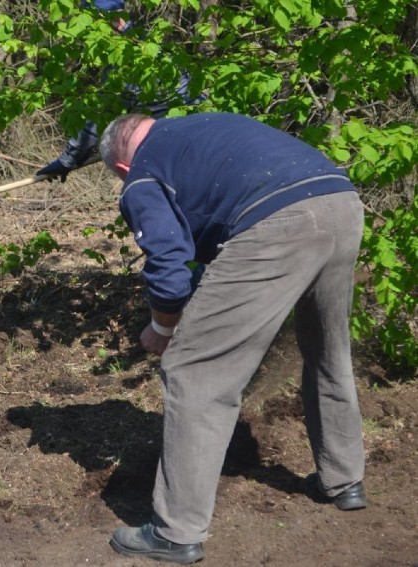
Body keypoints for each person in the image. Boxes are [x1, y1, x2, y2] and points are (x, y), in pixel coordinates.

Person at [98, 112, 367, 564]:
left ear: (121, 167)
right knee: (327, 349)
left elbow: (168, 271)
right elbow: (214, 236)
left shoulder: (141, 175)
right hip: (339, 201)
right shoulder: (201, 128)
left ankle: (175, 531)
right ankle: (344, 479)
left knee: (194, 370)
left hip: (279, 222)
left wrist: (162, 328)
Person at [36, 0, 204, 182]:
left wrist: (66, 161)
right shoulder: (152, 43)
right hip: (201, 132)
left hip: (177, 149)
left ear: (108, 19)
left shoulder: (124, 61)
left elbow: (99, 117)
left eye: (92, 25)